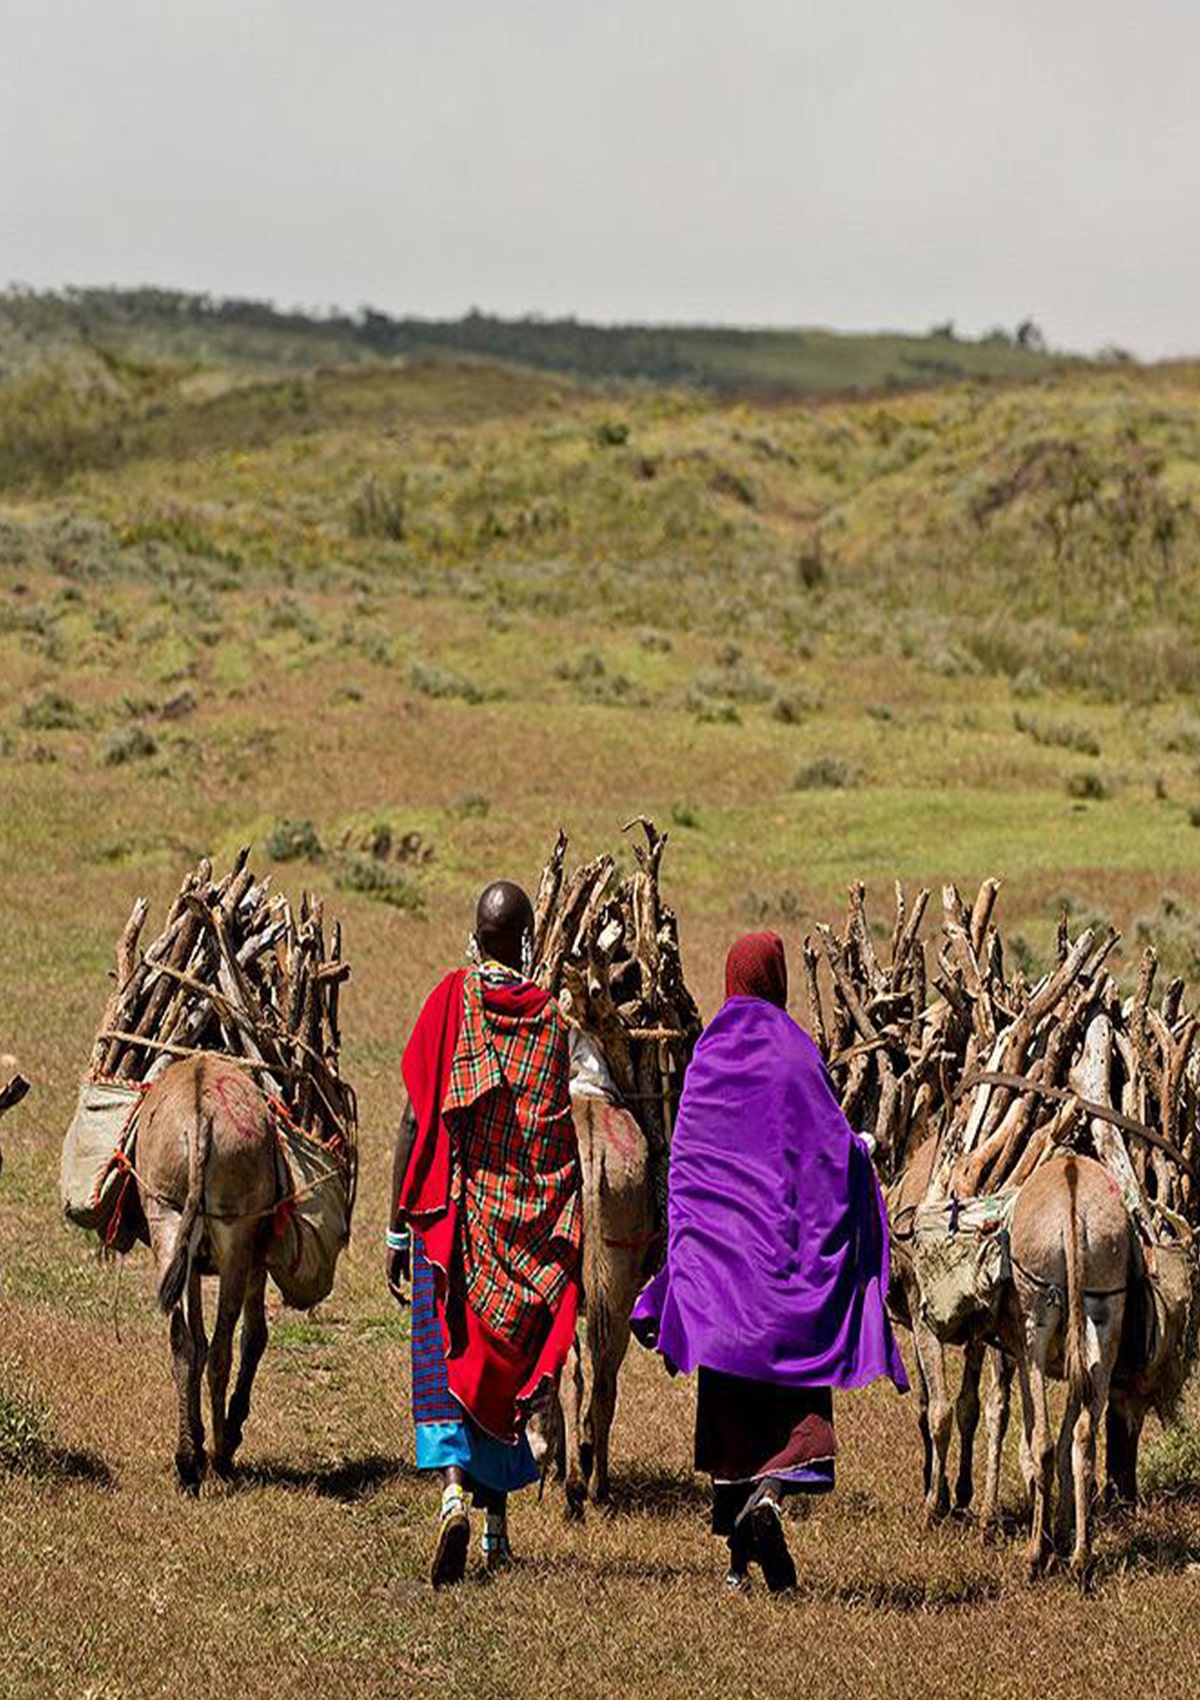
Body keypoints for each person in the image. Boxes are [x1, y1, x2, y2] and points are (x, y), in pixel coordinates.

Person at [631, 931, 907, 1594]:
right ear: (777, 978)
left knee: (731, 1418)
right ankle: (770, 1504)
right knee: (790, 1414)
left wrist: (692, 1261)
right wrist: (863, 1150)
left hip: (722, 1284)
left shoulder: (708, 1055)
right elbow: (827, 1155)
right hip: (784, 1284)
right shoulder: (794, 1052)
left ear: (731, 978)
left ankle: (735, 1563)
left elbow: (689, 1167)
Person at [386, 881, 582, 1587]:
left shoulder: (450, 1000)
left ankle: (450, 1498)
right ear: (526, 941)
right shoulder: (553, 1026)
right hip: (522, 1229)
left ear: (476, 936)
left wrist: (396, 1225)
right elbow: (556, 1140)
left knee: (448, 1363)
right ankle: (497, 1533)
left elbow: (415, 1119)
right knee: (503, 1372)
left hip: (457, 1225)